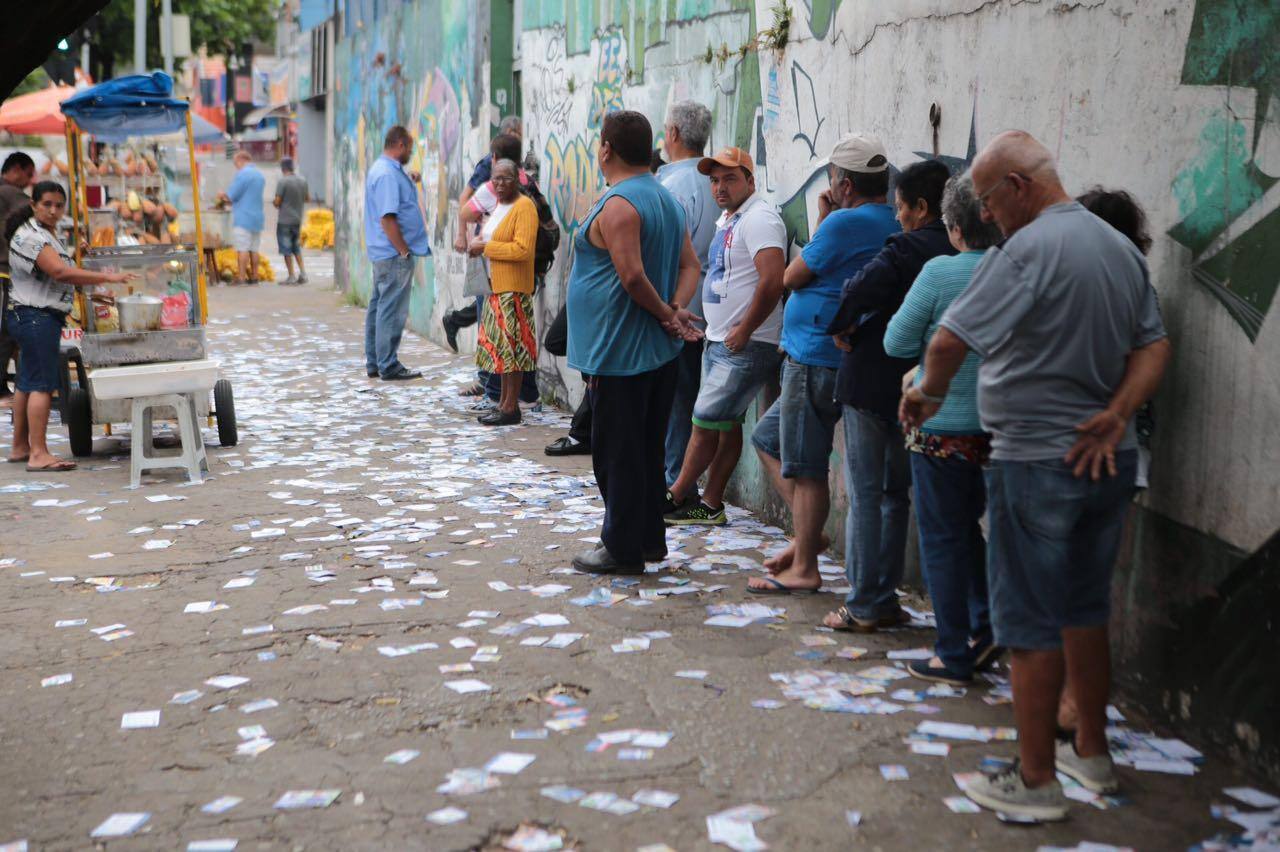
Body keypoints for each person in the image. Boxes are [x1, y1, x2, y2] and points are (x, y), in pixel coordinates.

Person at [900, 131, 1171, 820]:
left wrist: (925, 395)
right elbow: (1153, 343)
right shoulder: (1116, 246)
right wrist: (1118, 412)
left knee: (1027, 622)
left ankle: (1036, 778)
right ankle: (1093, 755)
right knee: (1085, 610)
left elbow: (947, 339)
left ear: (1017, 188)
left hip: (1036, 459)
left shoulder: (1027, 250)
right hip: (1107, 459)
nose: (987, 217)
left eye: (988, 202)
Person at [746, 134, 899, 594]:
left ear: (846, 185)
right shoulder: (889, 220)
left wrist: (825, 221)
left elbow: (792, 275)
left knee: (806, 466)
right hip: (844, 361)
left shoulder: (843, 224)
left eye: (834, 177)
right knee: (769, 438)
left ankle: (805, 563)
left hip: (814, 356)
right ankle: (807, 537)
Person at [819, 159, 954, 627]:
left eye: (901, 208)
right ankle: (885, 597)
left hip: (874, 382)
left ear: (921, 207)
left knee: (866, 493)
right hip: (926, 392)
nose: (896, 217)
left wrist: (843, 325)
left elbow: (857, 290)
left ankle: (864, 603)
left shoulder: (908, 248)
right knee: (896, 494)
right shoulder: (966, 252)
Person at [567, 110, 702, 575]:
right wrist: (677, 310)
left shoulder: (621, 205)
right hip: (652, 351)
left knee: (617, 454)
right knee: (644, 450)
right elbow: (691, 267)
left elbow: (631, 276)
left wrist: (668, 312)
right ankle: (648, 540)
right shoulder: (663, 200)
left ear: (606, 149)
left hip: (621, 353)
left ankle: (622, 547)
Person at [883, 173, 1004, 684]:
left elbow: (895, 341)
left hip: (942, 428)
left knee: (942, 539)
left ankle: (951, 650)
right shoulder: (1017, 269)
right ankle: (986, 624)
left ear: (953, 228)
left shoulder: (940, 273)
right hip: (1002, 434)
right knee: (971, 533)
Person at [1054, 186, 1155, 736]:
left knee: (1078, 589)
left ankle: (1078, 708)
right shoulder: (1137, 286)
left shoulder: (1102, 291)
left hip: (1091, 454)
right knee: (1086, 586)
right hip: (1121, 454)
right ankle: (1077, 705)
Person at [664, 146, 784, 527]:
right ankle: (711, 504)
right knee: (725, 424)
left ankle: (673, 496)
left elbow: (772, 281)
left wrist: (745, 329)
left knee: (704, 419)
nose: (720, 187)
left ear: (750, 180)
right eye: (715, 180)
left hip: (747, 344)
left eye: (730, 178)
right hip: (719, 340)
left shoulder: (760, 218)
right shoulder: (729, 218)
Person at [5, 181, 136, 471]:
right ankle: (39, 454)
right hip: (36, 317)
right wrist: (109, 278)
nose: (53, 210)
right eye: (46, 204)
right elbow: (60, 272)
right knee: (42, 385)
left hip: (30, 314)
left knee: (26, 382)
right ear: (34, 205)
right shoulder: (31, 236)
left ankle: (20, 447)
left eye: (58, 205)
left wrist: (93, 289)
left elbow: (52, 278)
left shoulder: (46, 233)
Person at [656, 100, 719, 505]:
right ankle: (681, 482)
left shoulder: (671, 188)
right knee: (692, 403)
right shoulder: (715, 182)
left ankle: (676, 484)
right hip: (709, 311)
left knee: (676, 403)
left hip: (676, 311)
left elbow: (664, 256)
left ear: (674, 135)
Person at [456, 132, 540, 409]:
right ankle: (504, 402)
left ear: (517, 178)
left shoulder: (524, 206)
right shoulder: (501, 207)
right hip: (496, 287)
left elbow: (522, 250)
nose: (498, 185)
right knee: (501, 351)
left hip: (513, 289)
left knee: (513, 352)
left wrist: (486, 248)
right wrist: (477, 244)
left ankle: (508, 405)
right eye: (495, 180)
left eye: (505, 179)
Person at [443, 115, 526, 354]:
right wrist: (462, 235)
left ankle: (491, 375)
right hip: (485, 248)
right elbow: (465, 200)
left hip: (503, 252)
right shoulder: (488, 167)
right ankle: (486, 377)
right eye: (515, 135)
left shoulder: (521, 175)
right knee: (485, 308)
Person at [364, 125, 430, 381]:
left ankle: (375, 362)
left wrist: (408, 179)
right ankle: (388, 364)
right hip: (393, 255)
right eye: (409, 149)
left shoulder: (385, 170)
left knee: (379, 308)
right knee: (391, 310)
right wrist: (403, 250)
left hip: (383, 252)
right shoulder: (388, 175)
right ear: (400, 145)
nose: (410, 154)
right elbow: (388, 218)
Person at [0, 152, 35, 406]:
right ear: (16, 169)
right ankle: (1, 389)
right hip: (5, 271)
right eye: (28, 174)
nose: (29, 180)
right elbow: (35, 216)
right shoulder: (11, 193)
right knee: (8, 330)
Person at [218, 151, 265, 285]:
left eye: (235, 163)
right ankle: (255, 276)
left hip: (243, 217)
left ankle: (242, 277)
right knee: (254, 249)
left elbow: (230, 196)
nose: (236, 167)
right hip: (257, 217)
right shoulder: (259, 175)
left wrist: (221, 195)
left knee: (242, 248)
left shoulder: (243, 174)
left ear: (241, 160)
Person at [273, 157, 309, 285]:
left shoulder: (283, 182)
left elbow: (277, 201)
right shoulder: (303, 180)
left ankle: (291, 275)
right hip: (297, 219)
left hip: (284, 220)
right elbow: (307, 198)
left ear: (283, 169)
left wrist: (276, 203)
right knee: (296, 248)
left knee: (286, 249)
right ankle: (303, 273)